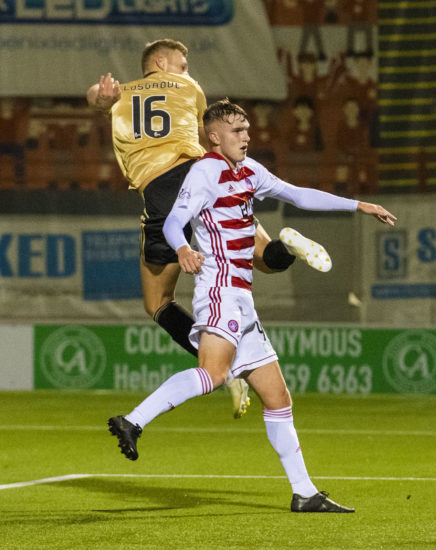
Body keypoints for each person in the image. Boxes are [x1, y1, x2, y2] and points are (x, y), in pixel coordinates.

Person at [107, 98, 397, 512]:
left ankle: (305, 493)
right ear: (214, 136)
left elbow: (297, 193)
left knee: (277, 397)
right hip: (220, 288)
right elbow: (173, 220)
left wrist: (358, 205)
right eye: (237, 130)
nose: (247, 136)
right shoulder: (205, 171)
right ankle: (133, 420)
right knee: (212, 373)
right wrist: (183, 248)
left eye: (247, 129)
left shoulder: (248, 171)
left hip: (242, 296)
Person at [86, 39, 319, 417]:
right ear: (160, 62)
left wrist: (103, 97)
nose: (187, 69)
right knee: (264, 259)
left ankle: (221, 366)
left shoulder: (123, 94)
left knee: (157, 302)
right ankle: (287, 247)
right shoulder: (189, 87)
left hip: (161, 190)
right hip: (202, 178)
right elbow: (208, 137)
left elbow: (97, 95)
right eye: (183, 63)